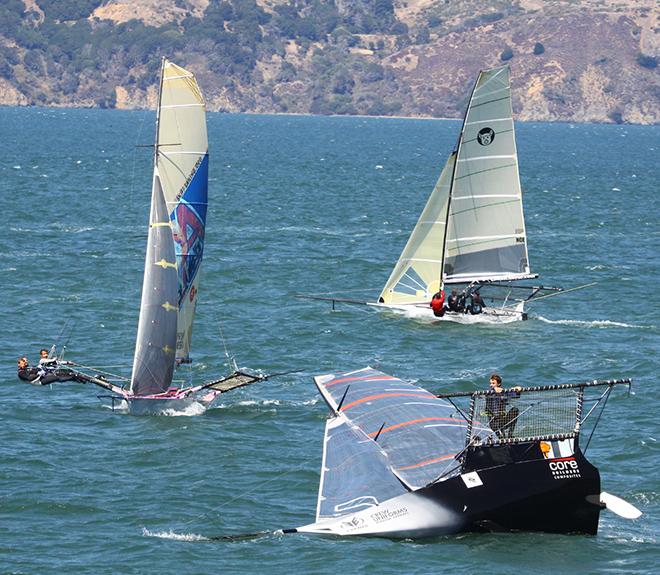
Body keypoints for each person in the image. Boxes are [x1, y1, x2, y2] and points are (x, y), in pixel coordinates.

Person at [484, 374, 522, 439]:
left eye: (493, 383)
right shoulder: (489, 393)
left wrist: (518, 389)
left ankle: (510, 435)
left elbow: (516, 396)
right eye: (490, 383)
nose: (491, 385)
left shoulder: (504, 392)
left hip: (503, 421)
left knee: (515, 410)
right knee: (502, 439)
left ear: (499, 384)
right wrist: (495, 390)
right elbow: (486, 395)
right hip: (494, 423)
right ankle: (502, 437)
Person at [17, 355, 81, 386]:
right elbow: (29, 378)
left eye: (26, 361)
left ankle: (75, 377)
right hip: (38, 381)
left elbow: (57, 362)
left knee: (64, 372)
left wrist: (67, 362)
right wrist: (39, 373)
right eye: (24, 361)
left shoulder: (29, 367)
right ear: (19, 364)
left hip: (42, 376)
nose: (26, 362)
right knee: (56, 377)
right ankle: (73, 377)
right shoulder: (21, 373)